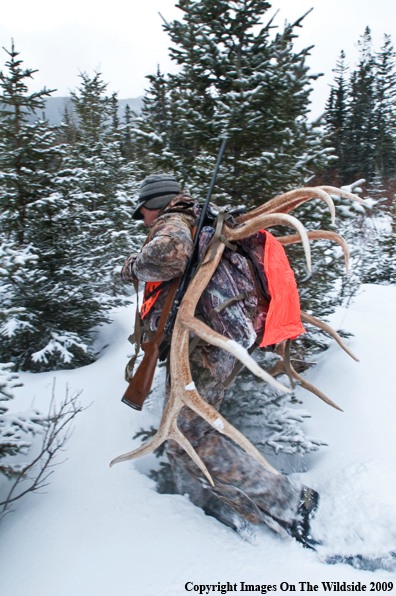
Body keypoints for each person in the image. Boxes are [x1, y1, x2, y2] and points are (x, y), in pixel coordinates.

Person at [121, 174, 319, 547]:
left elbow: (168, 257)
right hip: (218, 334)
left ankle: (291, 503)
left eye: (144, 212)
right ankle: (218, 506)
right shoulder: (202, 218)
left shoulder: (174, 221)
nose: (144, 220)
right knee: (188, 432)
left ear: (157, 203)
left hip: (209, 338)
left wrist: (133, 266)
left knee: (189, 438)